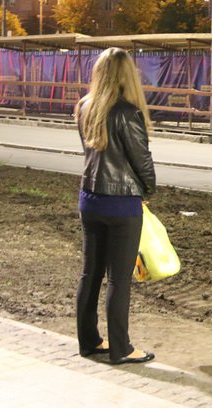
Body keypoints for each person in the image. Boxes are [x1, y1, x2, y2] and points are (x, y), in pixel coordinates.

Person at [75, 47, 156, 365]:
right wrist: (148, 190)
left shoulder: (84, 106)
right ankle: (121, 349)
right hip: (122, 205)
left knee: (89, 274)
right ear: (127, 75)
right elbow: (142, 161)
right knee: (119, 279)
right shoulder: (128, 112)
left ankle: (90, 342)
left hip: (90, 199)